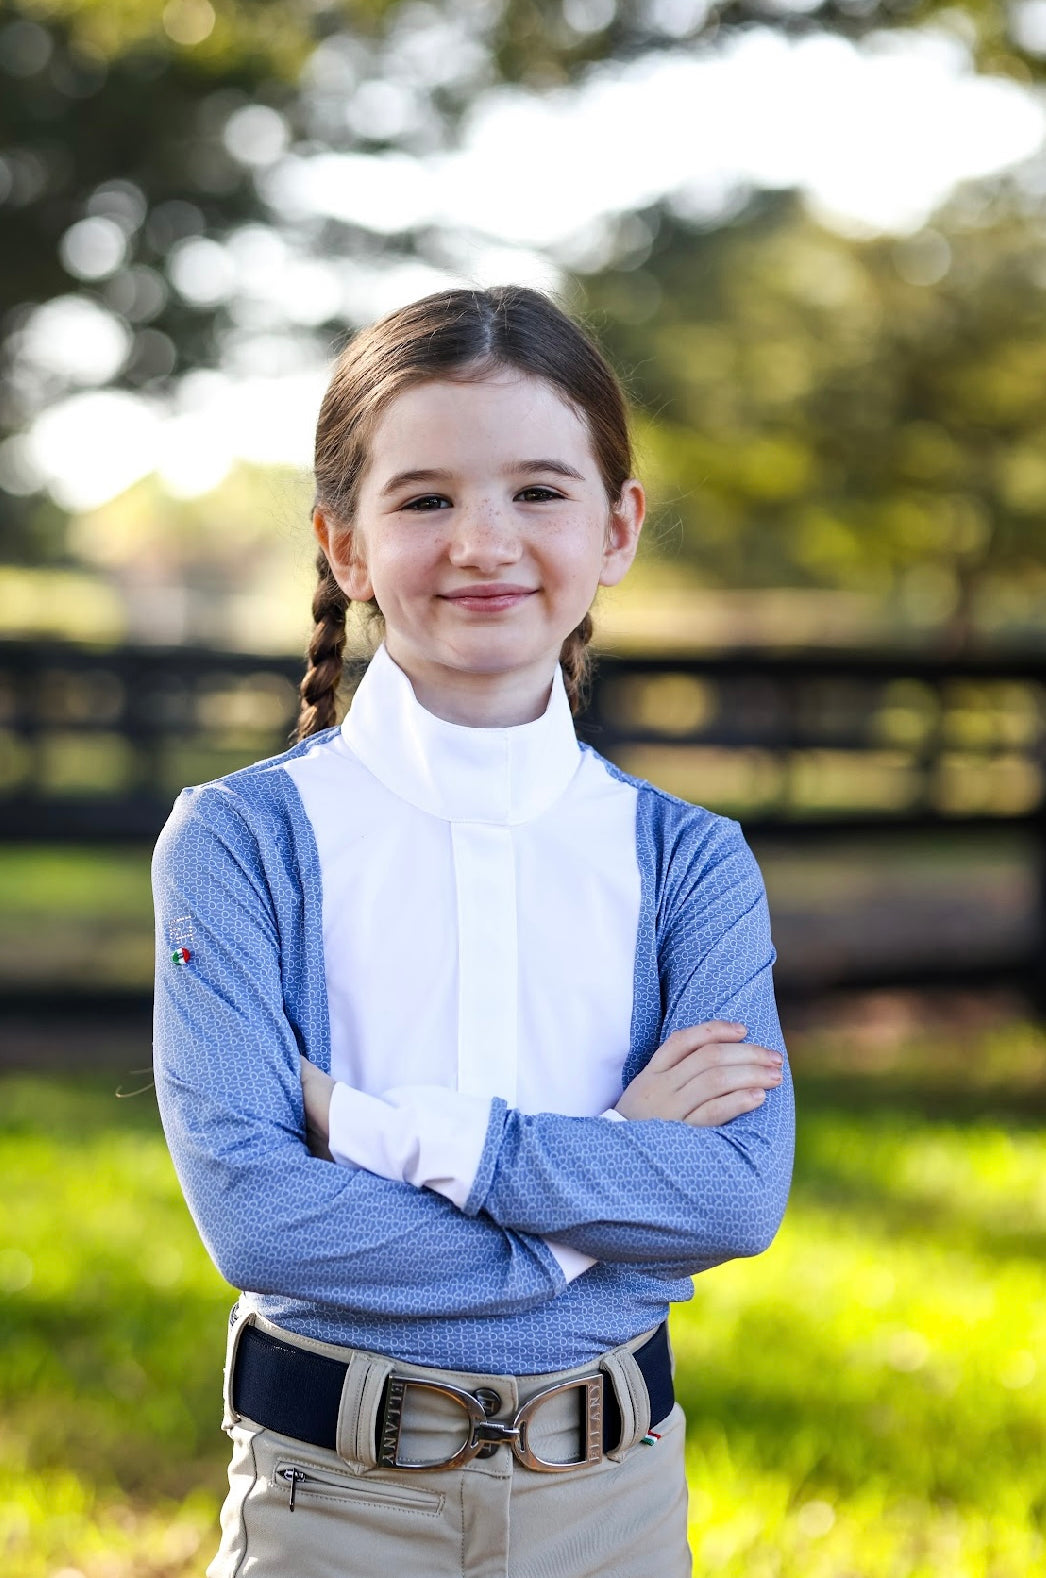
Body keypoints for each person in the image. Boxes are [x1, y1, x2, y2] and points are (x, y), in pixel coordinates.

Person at [152, 285, 794, 1578]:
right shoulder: (240, 839)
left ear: (617, 528)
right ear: (343, 544)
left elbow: (731, 1193)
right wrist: (614, 1180)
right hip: (329, 1509)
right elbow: (265, 1221)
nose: (483, 542)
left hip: (612, 1506)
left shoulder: (688, 860)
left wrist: (406, 1140)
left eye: (539, 492)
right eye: (426, 497)